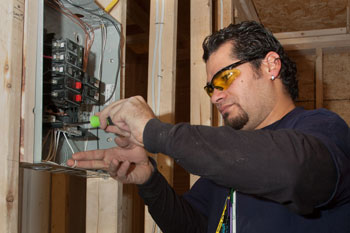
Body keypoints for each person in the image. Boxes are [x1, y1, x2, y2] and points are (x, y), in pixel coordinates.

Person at [67, 21, 350, 233]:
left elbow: (295, 171)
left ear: (269, 66)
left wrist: (155, 132)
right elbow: (190, 225)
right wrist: (149, 180)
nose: (215, 96)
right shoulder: (230, 160)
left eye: (224, 79)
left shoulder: (323, 128)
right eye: (210, 87)